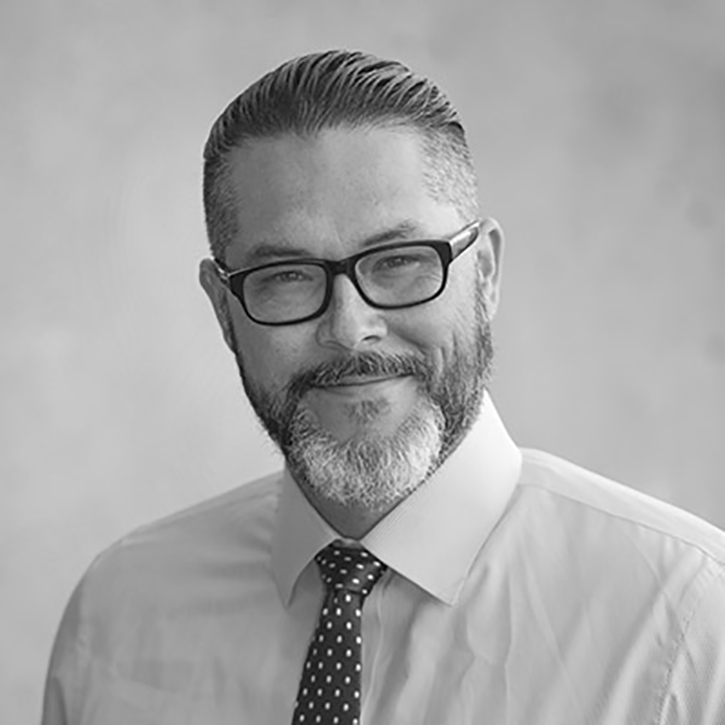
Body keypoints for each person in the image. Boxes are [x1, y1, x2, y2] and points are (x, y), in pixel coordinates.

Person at [42, 50, 725, 725]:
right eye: (287, 275)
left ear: (483, 274)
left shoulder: (689, 623)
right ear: (224, 311)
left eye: (398, 261)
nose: (349, 328)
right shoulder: (119, 612)